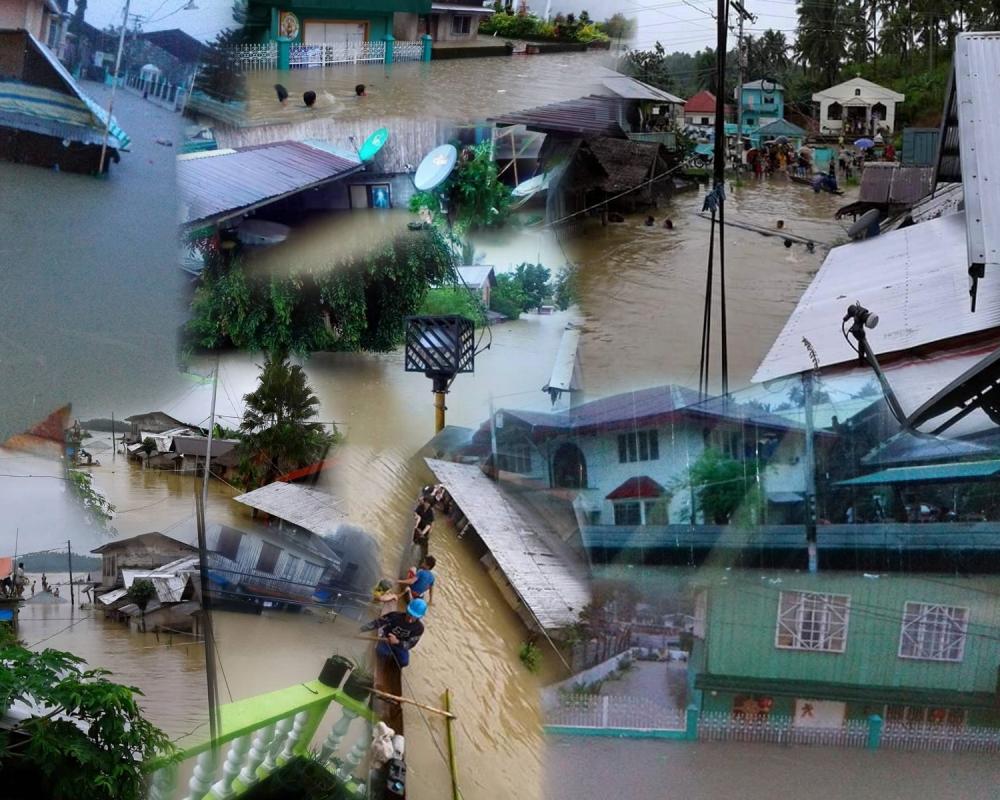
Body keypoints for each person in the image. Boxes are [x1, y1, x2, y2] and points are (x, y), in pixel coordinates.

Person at [361, 598, 426, 668]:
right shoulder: (394, 616)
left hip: (400, 645)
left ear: (420, 617)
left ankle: (392, 669)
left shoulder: (419, 628)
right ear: (407, 610)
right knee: (381, 652)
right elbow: (377, 623)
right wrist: (360, 630)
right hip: (386, 639)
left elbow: (410, 644)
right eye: (409, 615)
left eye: (414, 617)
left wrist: (397, 642)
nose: (410, 620)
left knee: (404, 662)